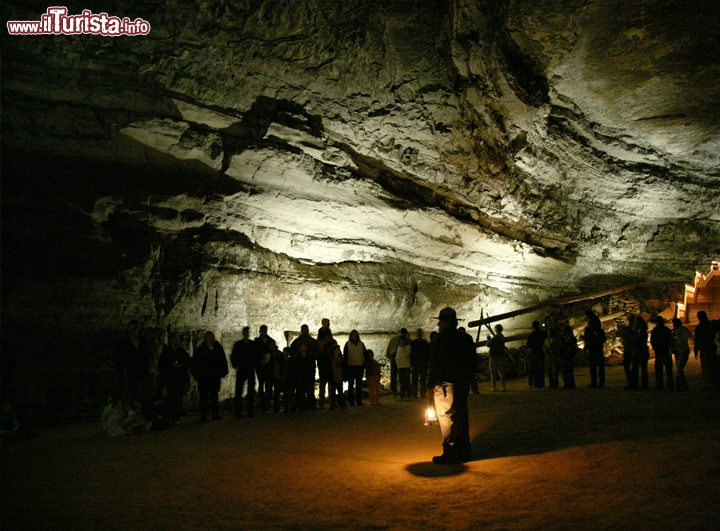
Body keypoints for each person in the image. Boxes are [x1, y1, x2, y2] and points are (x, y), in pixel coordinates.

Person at [427, 307, 476, 464]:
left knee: (446, 417)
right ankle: (464, 451)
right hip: (462, 383)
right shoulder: (466, 339)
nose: (438, 325)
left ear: (446, 322)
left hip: (446, 384)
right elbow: (473, 362)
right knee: (461, 415)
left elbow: (436, 364)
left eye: (440, 321)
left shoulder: (441, 340)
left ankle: (451, 452)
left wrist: (430, 384)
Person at [191, 331, 229, 422]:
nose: (211, 339)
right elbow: (195, 362)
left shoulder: (218, 348)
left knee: (214, 395)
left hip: (214, 376)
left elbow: (223, 360)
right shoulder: (201, 349)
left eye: (212, 337)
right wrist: (196, 374)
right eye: (209, 337)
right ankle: (203, 415)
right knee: (204, 396)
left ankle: (215, 413)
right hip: (204, 376)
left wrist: (223, 371)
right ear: (206, 339)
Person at [113, 319, 151, 403]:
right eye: (130, 328)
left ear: (138, 329)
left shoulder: (143, 341)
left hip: (140, 371)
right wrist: (122, 368)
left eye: (134, 328)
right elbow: (117, 356)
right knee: (128, 392)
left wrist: (145, 368)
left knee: (142, 392)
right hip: (129, 371)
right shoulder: (123, 342)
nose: (132, 330)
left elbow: (146, 356)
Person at [157, 331, 190, 422]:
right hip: (169, 378)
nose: (177, 339)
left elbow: (188, 363)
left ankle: (176, 417)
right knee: (169, 398)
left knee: (178, 398)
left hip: (179, 378)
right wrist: (171, 366)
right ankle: (168, 417)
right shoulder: (166, 352)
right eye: (175, 337)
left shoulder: (182, 351)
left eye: (178, 337)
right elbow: (161, 365)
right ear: (171, 339)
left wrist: (181, 366)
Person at [231, 327, 258, 418]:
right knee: (238, 391)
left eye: (248, 332)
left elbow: (256, 356)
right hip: (242, 370)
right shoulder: (238, 345)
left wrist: (254, 365)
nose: (247, 334)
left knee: (251, 392)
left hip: (250, 369)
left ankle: (250, 411)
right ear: (243, 333)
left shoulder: (252, 344)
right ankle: (238, 412)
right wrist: (236, 366)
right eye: (245, 332)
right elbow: (234, 356)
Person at [694, 311, 717, 390]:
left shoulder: (701, 327)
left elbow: (697, 339)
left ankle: (709, 383)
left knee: (707, 367)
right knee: (712, 366)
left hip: (705, 349)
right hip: (712, 349)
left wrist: (696, 350)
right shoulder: (710, 325)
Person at [343, 330, 367, 406]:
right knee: (351, 384)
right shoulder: (348, 344)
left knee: (359, 385)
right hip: (351, 366)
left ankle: (359, 401)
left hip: (359, 366)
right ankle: (351, 402)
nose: (354, 336)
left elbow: (365, 354)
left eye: (355, 335)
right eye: (353, 335)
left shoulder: (361, 344)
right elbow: (345, 356)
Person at [583, 311, 606, 388]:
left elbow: (603, 339)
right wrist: (586, 348)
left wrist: (597, 337)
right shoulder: (588, 330)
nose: (588, 322)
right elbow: (586, 340)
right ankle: (594, 382)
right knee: (592, 367)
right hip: (591, 350)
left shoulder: (598, 330)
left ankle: (601, 382)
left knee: (600, 366)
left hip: (597, 349)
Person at [650, 316, 673, 391]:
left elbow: (653, 341)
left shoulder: (657, 330)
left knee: (662, 369)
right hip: (662, 351)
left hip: (662, 351)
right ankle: (667, 384)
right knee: (665, 369)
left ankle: (663, 384)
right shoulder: (664, 330)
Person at [671, 318, 692, 392]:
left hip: (683, 351)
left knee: (679, 369)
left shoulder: (682, 330)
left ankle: (681, 385)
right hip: (678, 351)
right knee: (679, 369)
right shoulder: (675, 331)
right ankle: (681, 385)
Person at [629, 316, 650, 390]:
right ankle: (635, 384)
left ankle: (644, 385)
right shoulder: (635, 331)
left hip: (641, 352)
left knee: (643, 370)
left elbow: (639, 340)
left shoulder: (642, 331)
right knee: (635, 369)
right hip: (636, 352)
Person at [385, 327, 407, 396]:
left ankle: (393, 390)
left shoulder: (393, 338)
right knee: (402, 373)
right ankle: (403, 390)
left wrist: (389, 356)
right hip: (400, 356)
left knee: (393, 374)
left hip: (392, 356)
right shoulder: (404, 338)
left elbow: (388, 349)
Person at [411, 329, 431, 399]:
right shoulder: (415, 343)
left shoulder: (423, 343)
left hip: (422, 363)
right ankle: (415, 393)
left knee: (423, 379)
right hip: (417, 363)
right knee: (415, 379)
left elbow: (428, 353)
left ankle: (422, 393)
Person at [618, 315, 636, 389]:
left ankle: (631, 382)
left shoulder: (628, 329)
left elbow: (618, 333)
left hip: (629, 349)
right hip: (633, 349)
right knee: (634, 367)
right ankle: (634, 382)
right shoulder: (634, 329)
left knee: (628, 367)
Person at [526, 321, 546, 389]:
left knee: (535, 370)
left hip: (534, 353)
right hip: (541, 352)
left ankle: (536, 383)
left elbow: (528, 345)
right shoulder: (542, 334)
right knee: (541, 369)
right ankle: (541, 383)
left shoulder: (531, 335)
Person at [486, 324, 506, 392]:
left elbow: (488, 344)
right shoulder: (502, 336)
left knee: (493, 373)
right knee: (502, 372)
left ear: (496, 329)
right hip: (501, 356)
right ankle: (503, 386)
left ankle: (493, 387)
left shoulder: (496, 337)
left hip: (493, 356)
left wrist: (488, 339)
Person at [330, 344, 347, 410]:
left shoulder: (341, 358)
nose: (339, 350)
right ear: (334, 351)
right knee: (333, 391)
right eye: (338, 349)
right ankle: (333, 404)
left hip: (339, 376)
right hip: (334, 377)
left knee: (340, 391)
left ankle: (341, 403)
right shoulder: (331, 359)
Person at [559, 325, 577, 390]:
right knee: (565, 371)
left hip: (569, 356)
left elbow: (573, 348)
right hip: (564, 356)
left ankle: (571, 384)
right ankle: (567, 384)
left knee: (569, 371)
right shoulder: (562, 339)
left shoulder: (570, 339)